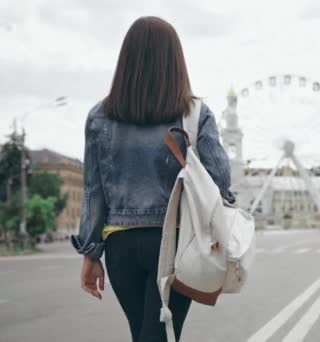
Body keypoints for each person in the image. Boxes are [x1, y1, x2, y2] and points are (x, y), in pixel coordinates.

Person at [71, 17, 234, 342]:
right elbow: (219, 180)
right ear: (175, 61)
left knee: (146, 335)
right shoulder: (194, 113)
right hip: (176, 244)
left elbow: (94, 192)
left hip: (120, 247)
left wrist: (91, 252)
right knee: (158, 336)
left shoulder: (99, 117)